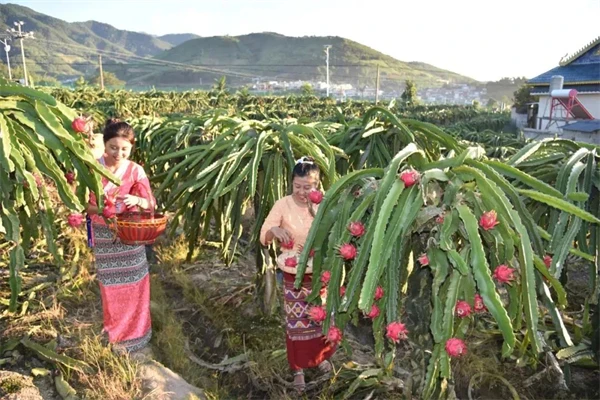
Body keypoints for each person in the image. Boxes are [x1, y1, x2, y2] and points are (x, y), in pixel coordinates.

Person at [260, 156, 336, 393]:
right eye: (298, 186)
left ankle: (321, 358)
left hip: (319, 273)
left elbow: (334, 234)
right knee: (296, 325)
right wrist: (274, 230)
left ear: (318, 185)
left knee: (320, 320)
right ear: (291, 183)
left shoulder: (325, 205)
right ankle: (298, 370)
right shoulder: (282, 205)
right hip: (293, 274)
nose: (303, 192)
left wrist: (317, 213)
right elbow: (263, 235)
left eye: (308, 187)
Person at [86, 118, 156, 354]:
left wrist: (136, 200)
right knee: (111, 285)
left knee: (135, 283)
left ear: (132, 148)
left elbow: (150, 204)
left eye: (124, 149)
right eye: (113, 147)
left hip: (129, 234)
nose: (118, 153)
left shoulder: (136, 170)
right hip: (104, 233)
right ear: (105, 144)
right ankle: (115, 335)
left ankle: (138, 335)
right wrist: (105, 210)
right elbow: (83, 204)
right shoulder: (93, 167)